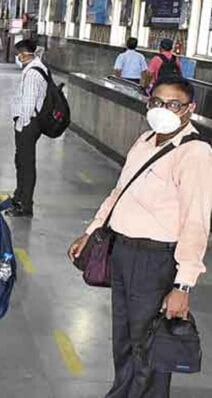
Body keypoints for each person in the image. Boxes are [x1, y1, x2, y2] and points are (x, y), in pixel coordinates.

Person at [68, 76, 211, 398]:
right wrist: (91, 231)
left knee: (148, 344)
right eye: (157, 102)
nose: (163, 109)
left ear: (190, 108)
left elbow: (196, 222)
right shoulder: (145, 140)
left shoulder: (195, 153)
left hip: (155, 260)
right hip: (123, 251)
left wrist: (182, 286)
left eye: (174, 104)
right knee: (124, 340)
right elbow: (119, 192)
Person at [7, 39, 47, 218]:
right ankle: (20, 196)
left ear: (25, 54)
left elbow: (29, 105)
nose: (18, 57)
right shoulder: (37, 68)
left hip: (28, 125)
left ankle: (25, 205)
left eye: (19, 53)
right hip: (30, 124)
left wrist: (21, 125)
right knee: (22, 162)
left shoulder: (32, 73)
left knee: (25, 165)